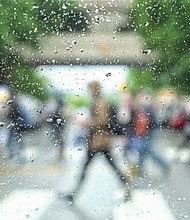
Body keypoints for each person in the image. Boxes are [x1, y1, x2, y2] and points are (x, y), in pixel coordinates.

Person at [59, 80, 131, 203]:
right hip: (98, 141)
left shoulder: (100, 103)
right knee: (103, 166)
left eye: (90, 89)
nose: (89, 92)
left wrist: (85, 122)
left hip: (99, 142)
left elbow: (102, 121)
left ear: (95, 89)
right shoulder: (99, 101)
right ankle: (73, 193)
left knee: (88, 168)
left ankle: (73, 193)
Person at [126, 89, 170, 176]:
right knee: (143, 149)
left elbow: (151, 119)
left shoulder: (147, 105)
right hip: (145, 130)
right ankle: (140, 168)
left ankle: (164, 165)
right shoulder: (144, 105)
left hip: (148, 130)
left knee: (147, 149)